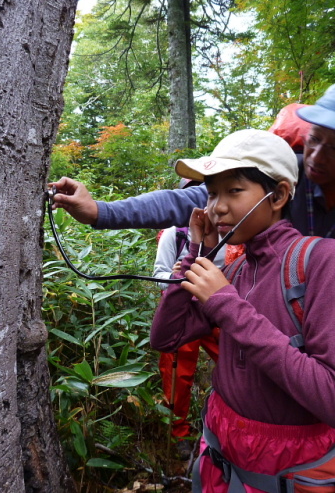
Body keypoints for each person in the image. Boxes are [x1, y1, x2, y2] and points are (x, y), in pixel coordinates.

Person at [150, 128, 335, 492]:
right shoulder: (235, 269)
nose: (217, 207)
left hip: (285, 468)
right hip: (221, 454)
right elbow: (166, 337)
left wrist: (226, 304)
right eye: (212, 193)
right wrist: (194, 253)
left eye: (234, 191)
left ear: (279, 195)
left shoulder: (321, 262)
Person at [50, 84, 335, 240]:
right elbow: (181, 202)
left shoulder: (285, 178)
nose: (317, 156)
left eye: (333, 147)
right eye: (313, 139)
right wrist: (99, 211)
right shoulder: (289, 173)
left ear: (281, 196)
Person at [153, 178, 220, 460]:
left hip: (215, 312)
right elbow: (158, 276)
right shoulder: (174, 234)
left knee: (239, 360)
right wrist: (179, 278)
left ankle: (228, 419)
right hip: (181, 315)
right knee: (178, 376)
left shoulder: (226, 232)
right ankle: (178, 432)